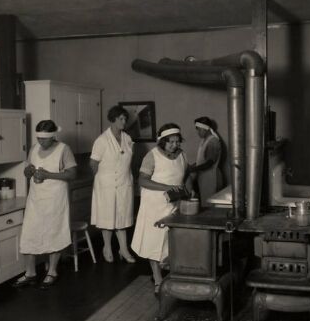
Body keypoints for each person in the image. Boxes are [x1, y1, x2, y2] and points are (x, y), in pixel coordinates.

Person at [14, 120, 76, 289]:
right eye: (39, 138)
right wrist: (28, 171)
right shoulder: (34, 149)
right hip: (35, 199)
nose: (41, 142)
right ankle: (30, 273)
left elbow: (72, 174)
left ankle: (52, 272)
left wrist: (49, 175)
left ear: (53, 136)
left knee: (54, 232)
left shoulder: (64, 149)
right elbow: (27, 170)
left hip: (55, 199)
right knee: (29, 232)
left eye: (44, 139)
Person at [131, 123, 191, 294]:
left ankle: (174, 275)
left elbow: (187, 176)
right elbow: (142, 180)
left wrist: (188, 190)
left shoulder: (182, 155)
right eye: (170, 142)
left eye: (177, 141)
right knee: (154, 241)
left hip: (175, 204)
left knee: (173, 240)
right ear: (162, 141)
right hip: (154, 205)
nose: (175, 145)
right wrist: (166, 187)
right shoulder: (152, 156)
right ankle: (158, 280)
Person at [90, 105, 135, 263]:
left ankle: (123, 249)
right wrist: (103, 179)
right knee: (108, 218)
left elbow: (128, 161)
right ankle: (107, 247)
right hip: (106, 185)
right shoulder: (101, 141)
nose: (124, 122)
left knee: (122, 217)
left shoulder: (127, 139)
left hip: (124, 183)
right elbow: (93, 164)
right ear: (113, 119)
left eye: (125, 119)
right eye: (121, 119)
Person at [189, 116, 223, 207]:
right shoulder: (204, 141)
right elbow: (202, 160)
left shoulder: (213, 142)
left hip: (211, 178)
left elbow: (209, 163)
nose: (197, 132)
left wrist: (193, 169)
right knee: (205, 203)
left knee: (210, 205)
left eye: (199, 130)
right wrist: (193, 166)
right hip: (204, 178)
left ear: (205, 129)